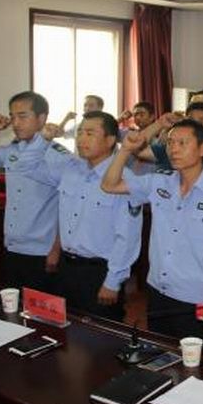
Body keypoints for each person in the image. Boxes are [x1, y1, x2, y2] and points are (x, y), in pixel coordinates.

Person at [101, 120, 203, 341]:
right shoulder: (159, 182)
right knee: (160, 351)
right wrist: (126, 150)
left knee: (197, 358)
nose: (173, 149)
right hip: (158, 289)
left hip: (197, 296)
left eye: (182, 143)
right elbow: (109, 185)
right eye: (170, 142)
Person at [24, 111, 141, 321]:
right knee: (64, 328)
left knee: (99, 335)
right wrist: (43, 139)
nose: (81, 139)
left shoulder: (124, 180)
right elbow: (26, 166)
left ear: (110, 140)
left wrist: (112, 282)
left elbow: (128, 238)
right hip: (66, 267)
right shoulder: (70, 168)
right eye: (79, 133)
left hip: (99, 272)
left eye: (89, 133)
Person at [0, 91, 61, 292]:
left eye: (23, 116)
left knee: (40, 306)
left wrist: (56, 249)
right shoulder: (12, 150)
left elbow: (68, 206)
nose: (16, 123)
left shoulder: (57, 155)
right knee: (14, 303)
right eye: (12, 116)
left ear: (42, 118)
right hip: (12, 245)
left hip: (42, 249)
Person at [137, 102, 203, 179]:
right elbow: (137, 150)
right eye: (191, 121)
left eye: (202, 122)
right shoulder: (171, 149)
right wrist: (159, 124)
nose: (195, 126)